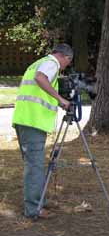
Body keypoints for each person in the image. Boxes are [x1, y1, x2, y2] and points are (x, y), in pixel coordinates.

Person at [12, 43, 73, 219]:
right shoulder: (51, 63)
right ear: (65, 57)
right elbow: (40, 78)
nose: (65, 67)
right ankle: (33, 209)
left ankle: (39, 200)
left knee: (34, 164)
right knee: (35, 166)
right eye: (67, 63)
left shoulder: (37, 62)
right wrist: (61, 99)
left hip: (25, 119)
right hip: (33, 121)